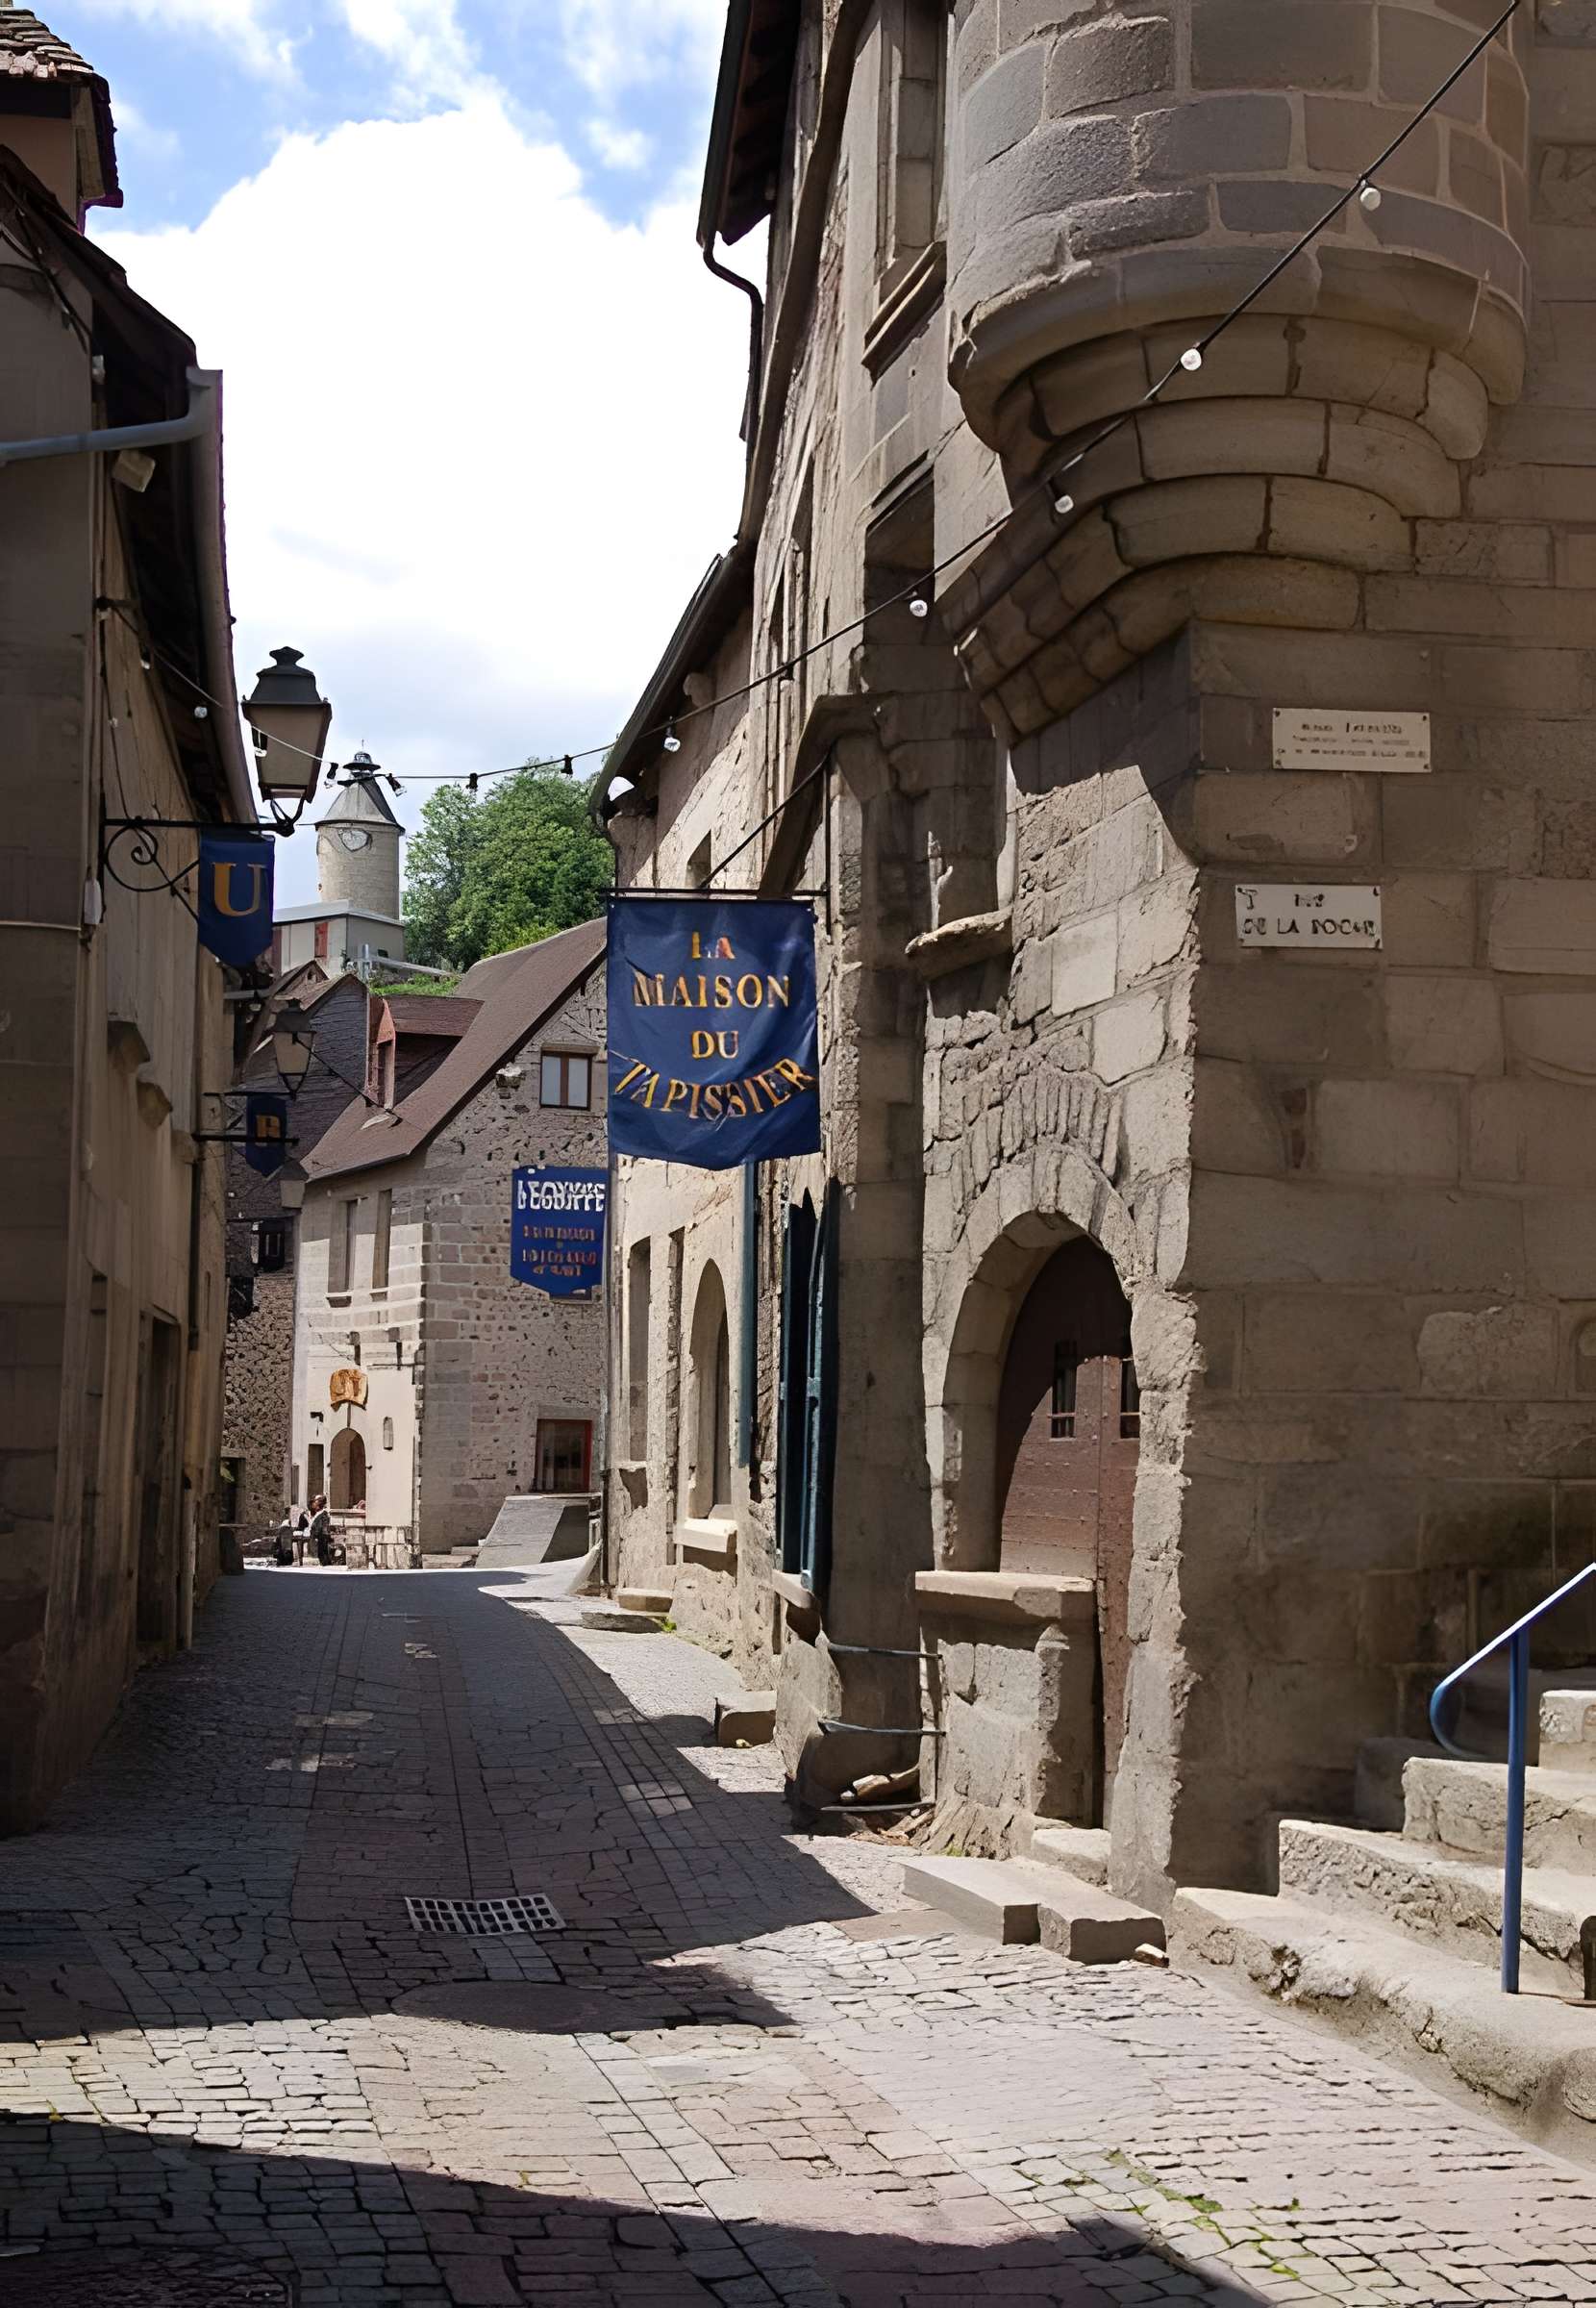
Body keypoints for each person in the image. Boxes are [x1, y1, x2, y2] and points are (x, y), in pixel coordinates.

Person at [308, 1494, 334, 1567]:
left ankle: (326, 1565)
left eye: (315, 1502)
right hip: (319, 1537)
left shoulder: (323, 1515)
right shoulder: (318, 1514)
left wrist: (316, 1536)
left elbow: (321, 1527)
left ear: (319, 1504)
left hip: (321, 1537)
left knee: (323, 1553)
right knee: (321, 1554)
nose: (313, 1504)